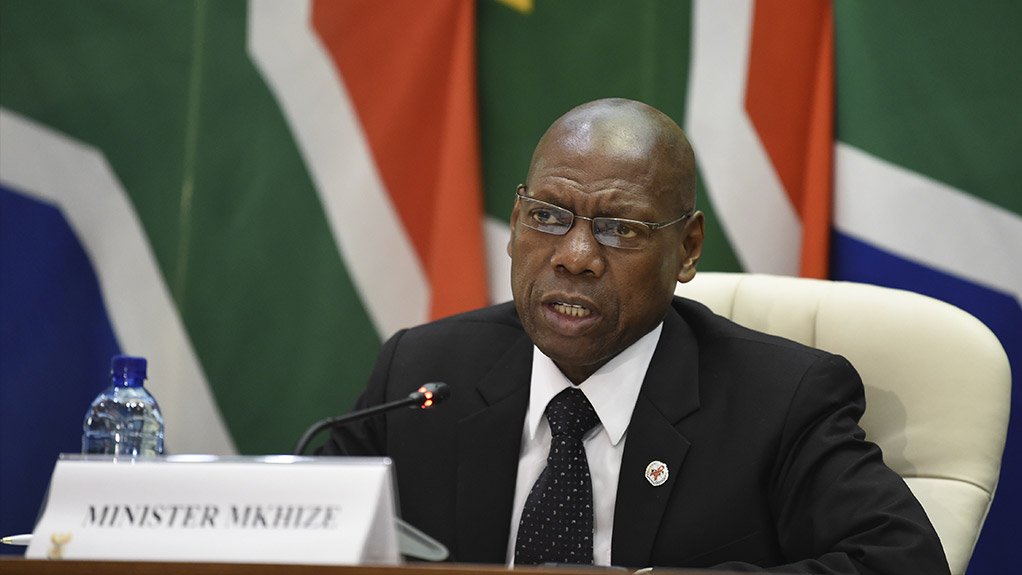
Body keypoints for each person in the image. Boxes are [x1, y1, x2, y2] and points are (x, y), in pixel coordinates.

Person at [320, 98, 950, 573]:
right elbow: (299, 536)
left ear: (688, 248)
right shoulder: (423, 373)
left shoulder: (780, 401)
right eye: (547, 216)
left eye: (620, 228)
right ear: (515, 224)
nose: (575, 256)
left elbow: (901, 561)